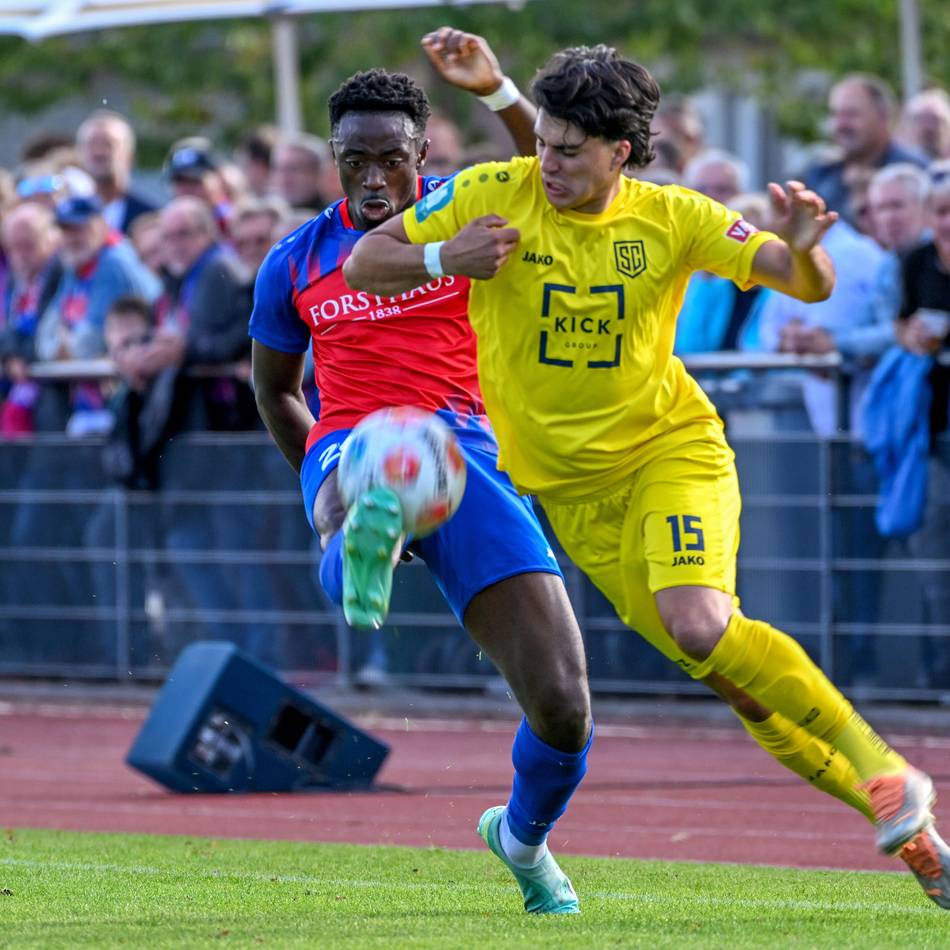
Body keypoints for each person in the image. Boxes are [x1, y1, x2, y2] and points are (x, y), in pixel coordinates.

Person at [344, 43, 950, 909]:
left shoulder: (672, 217)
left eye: (568, 150)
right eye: (543, 143)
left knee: (700, 623)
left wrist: (809, 251)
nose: (546, 163)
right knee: (732, 676)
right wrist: (446, 261)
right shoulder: (491, 192)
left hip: (671, 451)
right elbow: (367, 261)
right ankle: (916, 836)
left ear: (621, 150)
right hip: (575, 500)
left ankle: (889, 772)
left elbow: (799, 281)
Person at [250, 28, 590, 915]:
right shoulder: (293, 261)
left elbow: (547, 169)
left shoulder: (467, 213)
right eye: (352, 161)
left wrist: (499, 90)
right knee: (374, 468)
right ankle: (363, 531)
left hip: (470, 452)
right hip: (352, 438)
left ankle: (521, 842)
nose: (371, 180)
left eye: (389, 161)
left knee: (562, 704)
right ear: (332, 158)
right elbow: (277, 390)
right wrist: (317, 478)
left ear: (422, 153)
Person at [804, 73, 927, 225]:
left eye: (851, 114)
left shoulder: (917, 171)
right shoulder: (821, 174)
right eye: (835, 114)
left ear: (883, 116)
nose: (841, 125)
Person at [76, 110, 155, 235]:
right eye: (91, 144)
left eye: (108, 144)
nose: (99, 152)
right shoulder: (68, 216)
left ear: (130, 157)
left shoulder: (150, 218)